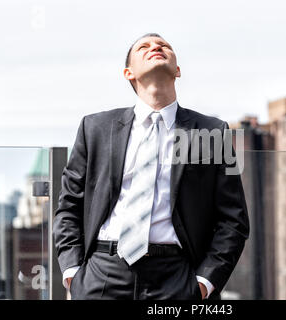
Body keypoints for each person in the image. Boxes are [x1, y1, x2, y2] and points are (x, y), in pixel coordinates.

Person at [53, 33, 249, 300]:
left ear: (177, 70)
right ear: (128, 73)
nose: (155, 47)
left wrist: (204, 282)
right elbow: (69, 206)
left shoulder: (211, 132)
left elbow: (233, 220)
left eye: (164, 45)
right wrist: (73, 273)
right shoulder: (95, 128)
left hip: (177, 277)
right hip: (102, 272)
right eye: (143, 47)